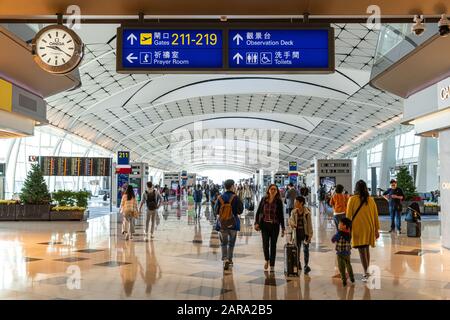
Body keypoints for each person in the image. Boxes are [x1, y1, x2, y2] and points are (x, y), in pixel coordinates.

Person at [346, 180, 380, 282]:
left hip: (358, 228)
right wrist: (376, 229)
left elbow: (348, 216)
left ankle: (366, 273)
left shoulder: (352, 199)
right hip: (369, 227)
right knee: (366, 249)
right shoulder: (371, 199)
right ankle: (367, 271)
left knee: (362, 251)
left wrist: (346, 229)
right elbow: (375, 215)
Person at [254, 184, 286, 272]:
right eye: (271, 189)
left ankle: (272, 264)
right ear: (268, 190)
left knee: (273, 245)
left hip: (275, 226)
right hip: (264, 225)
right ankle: (266, 260)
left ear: (277, 191)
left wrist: (283, 227)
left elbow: (281, 215)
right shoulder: (264, 199)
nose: (273, 191)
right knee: (265, 244)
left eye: (274, 189)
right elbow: (258, 212)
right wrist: (256, 223)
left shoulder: (278, 201)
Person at [214, 179, 244, 271]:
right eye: (234, 185)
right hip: (233, 223)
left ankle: (225, 259)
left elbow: (216, 210)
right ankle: (230, 259)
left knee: (223, 243)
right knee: (231, 243)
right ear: (231, 186)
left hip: (223, 224)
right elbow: (240, 210)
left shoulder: (220, 197)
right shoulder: (236, 197)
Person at [288, 196, 313, 275]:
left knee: (306, 250)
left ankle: (306, 266)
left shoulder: (307, 213)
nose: (295, 203)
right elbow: (290, 220)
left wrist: (310, 236)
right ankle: (298, 262)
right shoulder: (293, 212)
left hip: (305, 234)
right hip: (296, 234)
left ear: (301, 203)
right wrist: (292, 224)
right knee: (297, 249)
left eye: (296, 202)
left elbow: (309, 225)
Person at [331, 217, 355, 287]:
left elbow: (332, 240)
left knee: (342, 267)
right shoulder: (349, 233)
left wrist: (335, 236)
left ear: (344, 226)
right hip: (347, 253)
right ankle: (352, 278)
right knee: (348, 265)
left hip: (340, 253)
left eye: (340, 224)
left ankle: (344, 280)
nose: (338, 225)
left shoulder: (339, 234)